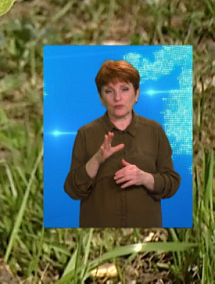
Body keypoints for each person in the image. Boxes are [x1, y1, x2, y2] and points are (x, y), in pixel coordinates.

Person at [63, 60, 180, 227]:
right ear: (101, 97)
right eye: (109, 91)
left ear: (137, 94)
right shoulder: (86, 134)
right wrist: (97, 159)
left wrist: (144, 178)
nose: (117, 98)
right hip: (98, 232)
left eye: (124, 89)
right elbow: (72, 190)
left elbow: (172, 183)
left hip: (146, 232)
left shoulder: (154, 131)